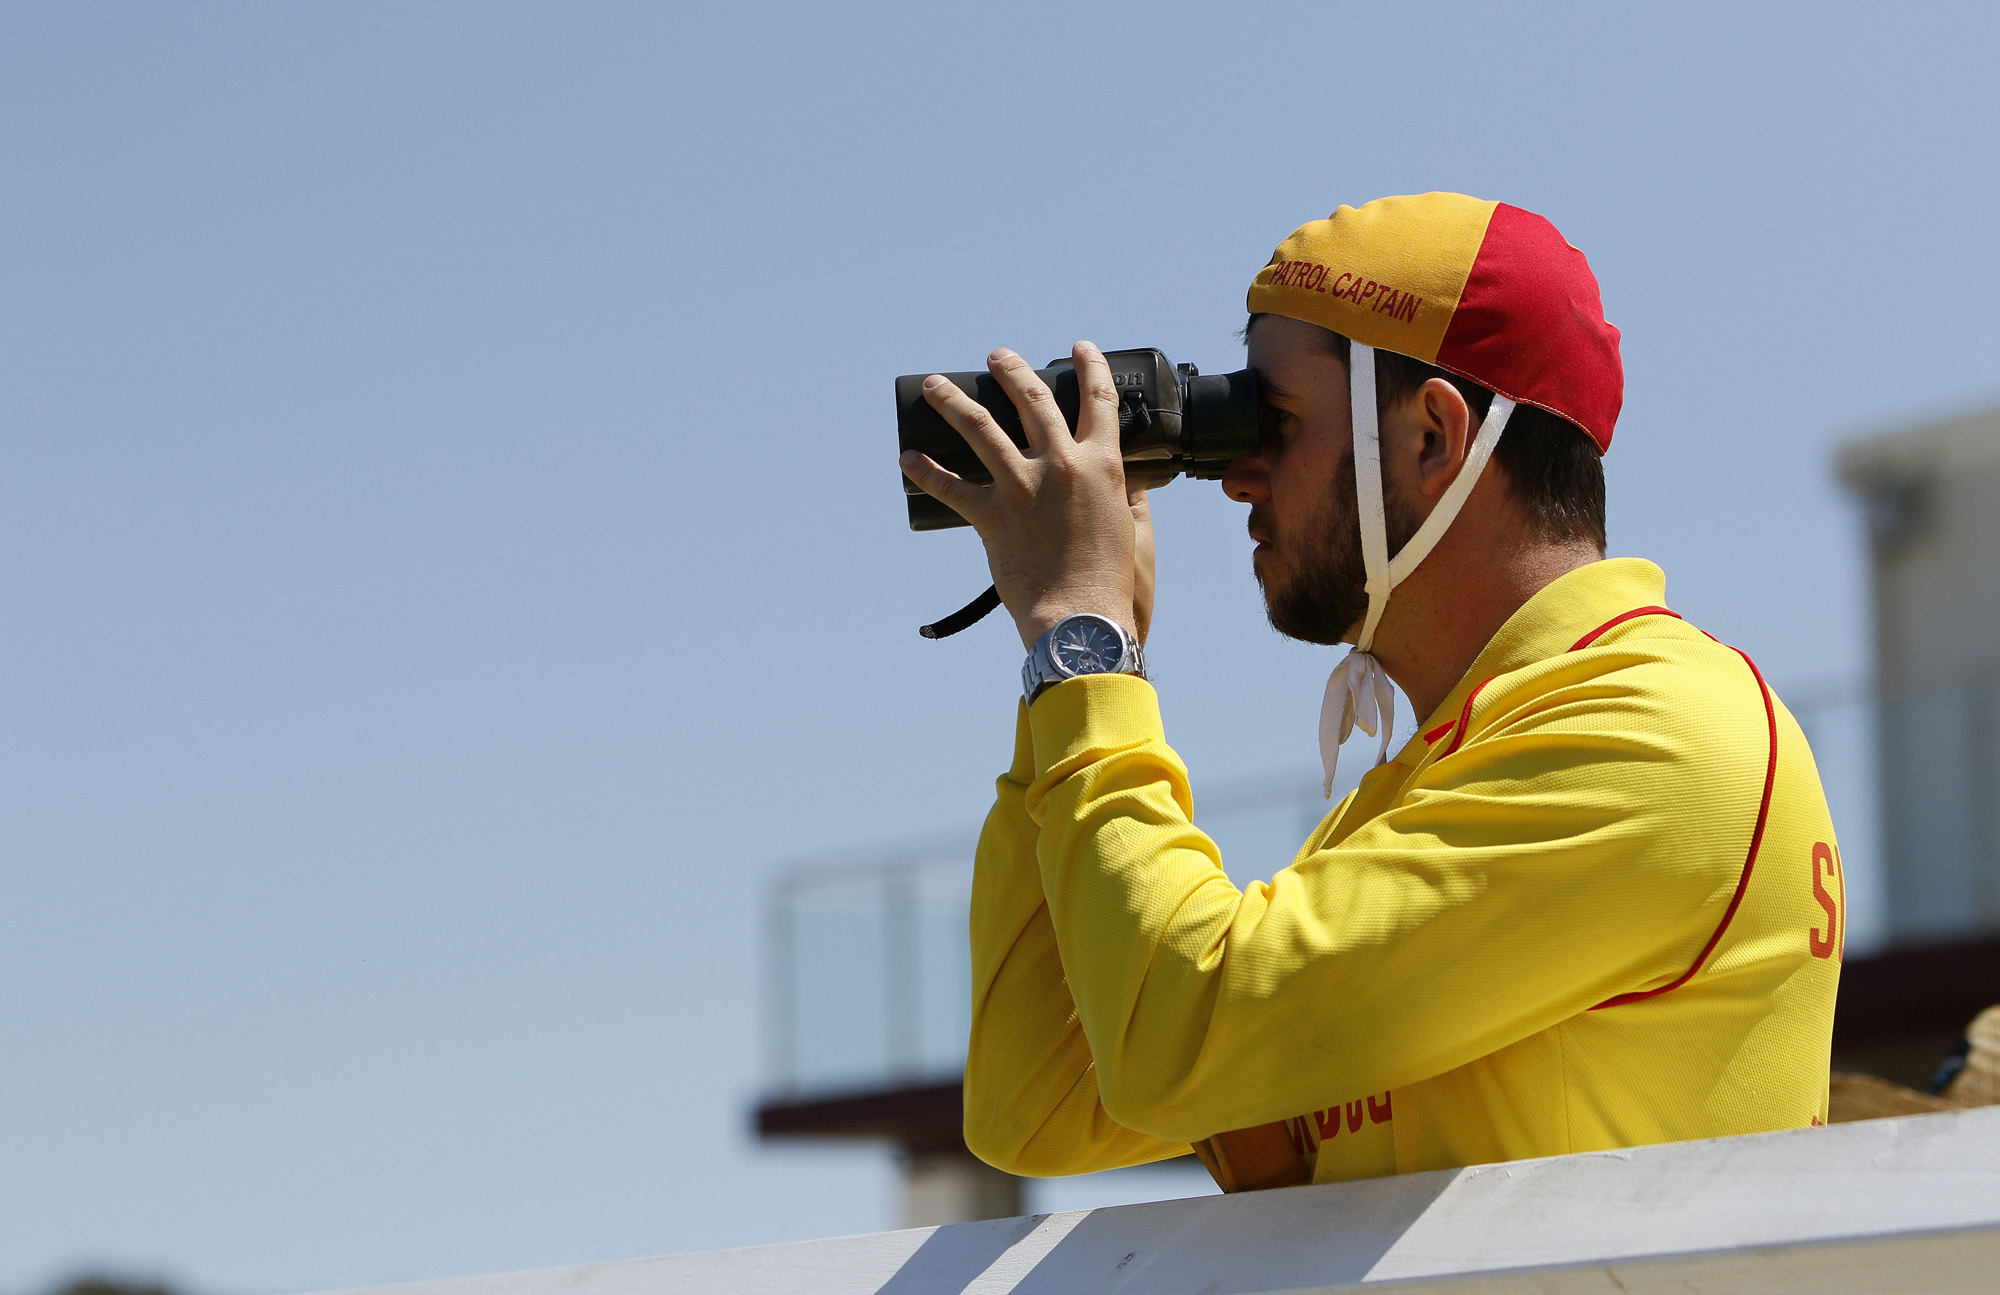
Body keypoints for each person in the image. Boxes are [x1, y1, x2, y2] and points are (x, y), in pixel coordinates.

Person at [896, 192, 1844, 1191]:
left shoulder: (1659, 732)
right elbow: (1036, 1102)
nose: (1233, 477)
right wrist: (1074, 663)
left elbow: (1169, 1037)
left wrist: (1081, 646)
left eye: (1280, 421)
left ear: (1434, 438)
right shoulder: (1430, 784)